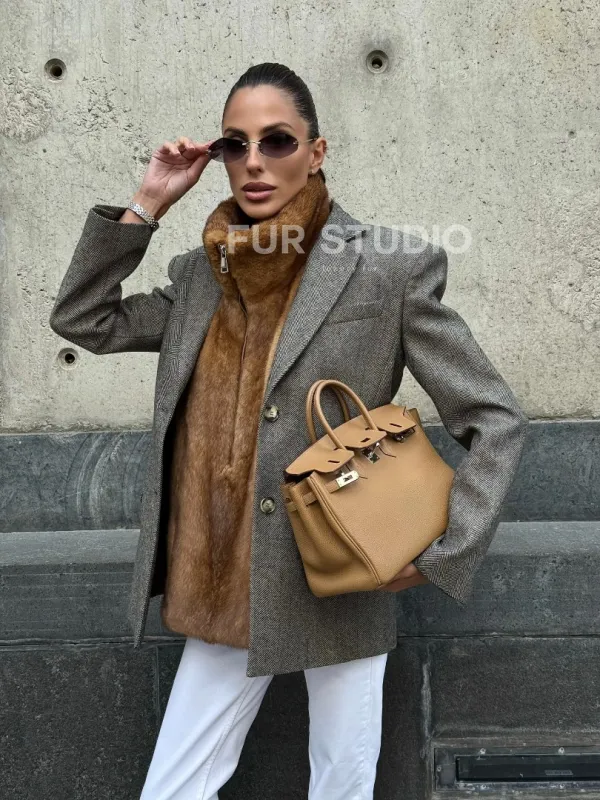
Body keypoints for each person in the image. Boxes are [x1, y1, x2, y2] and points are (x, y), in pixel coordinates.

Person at [49, 62, 528, 799]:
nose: (254, 161)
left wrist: (446, 549)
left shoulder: (388, 266)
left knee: (342, 784)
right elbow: (86, 319)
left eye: (277, 141)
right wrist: (148, 204)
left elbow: (493, 416)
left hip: (343, 569)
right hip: (226, 580)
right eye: (234, 145)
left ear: (316, 150)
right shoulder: (202, 274)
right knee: (173, 788)